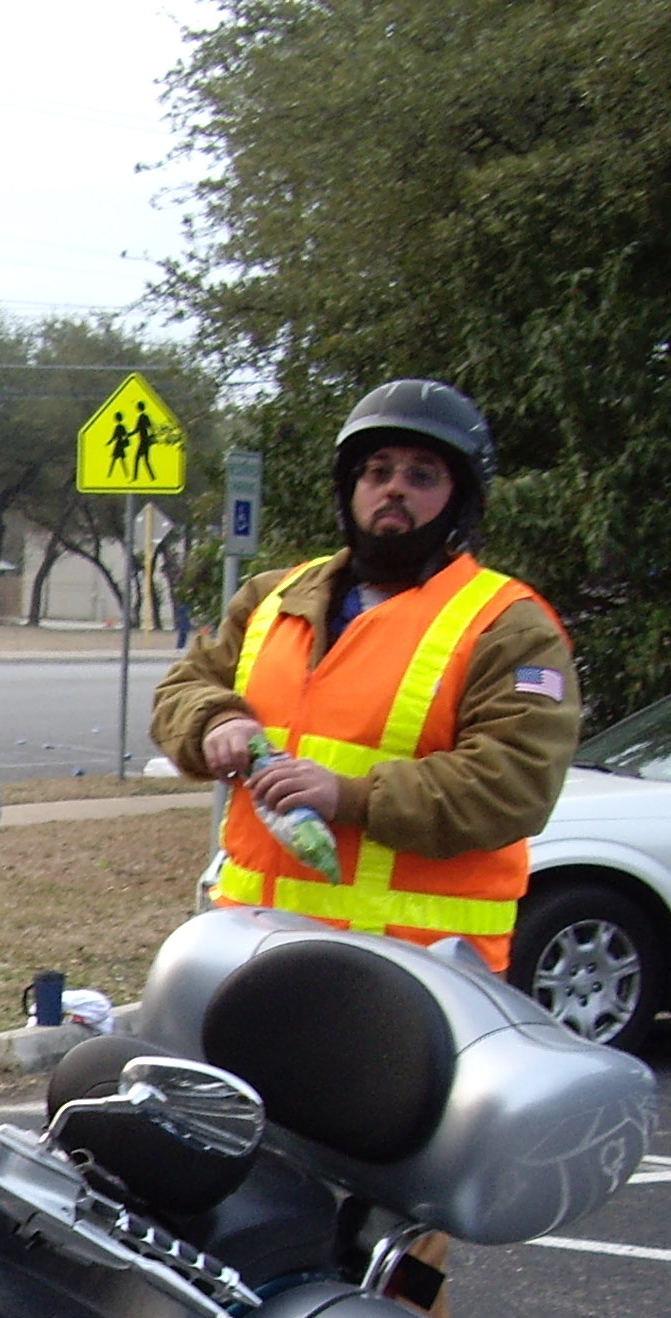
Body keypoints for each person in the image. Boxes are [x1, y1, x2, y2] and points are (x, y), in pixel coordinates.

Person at [151, 379, 579, 974]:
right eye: (377, 471)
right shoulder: (272, 598)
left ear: (460, 500)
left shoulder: (508, 627)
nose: (394, 487)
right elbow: (181, 689)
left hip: (421, 972)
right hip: (254, 952)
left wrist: (347, 795)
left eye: (422, 475)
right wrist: (214, 720)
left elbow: (514, 784)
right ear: (350, 489)